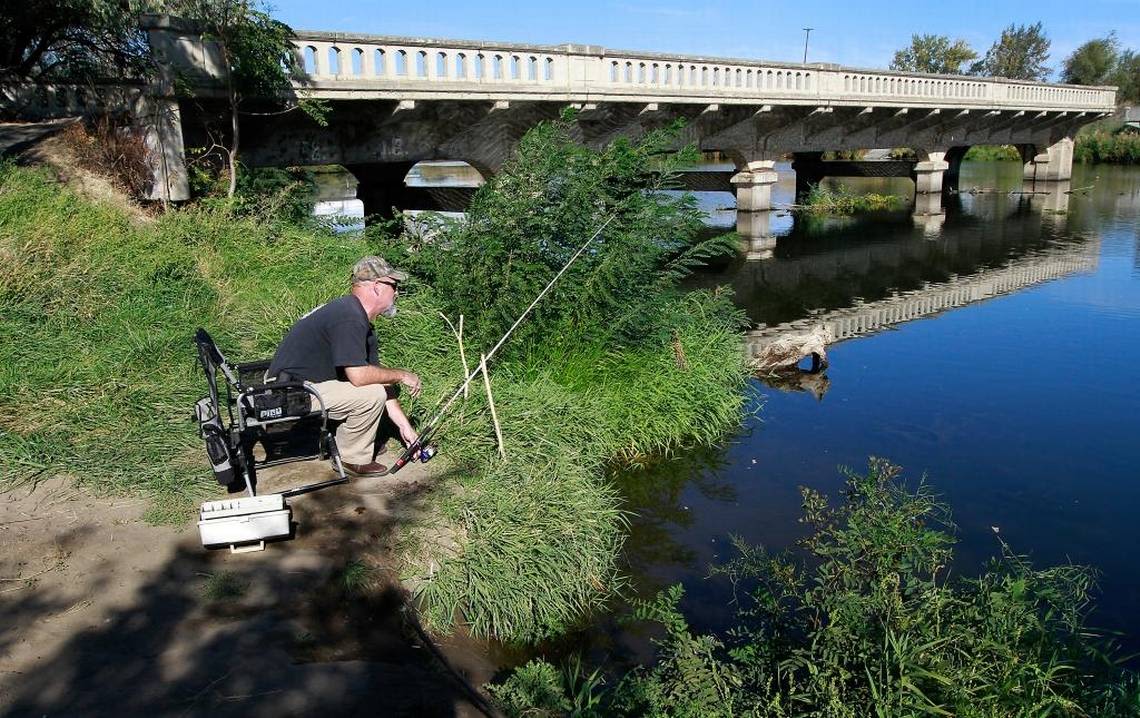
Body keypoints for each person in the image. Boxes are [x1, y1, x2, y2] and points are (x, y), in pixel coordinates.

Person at [267, 256, 422, 476]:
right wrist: (403, 375)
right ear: (377, 287)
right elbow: (359, 377)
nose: (396, 293)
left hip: (297, 385)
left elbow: (377, 375)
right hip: (288, 393)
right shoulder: (349, 318)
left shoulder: (352, 312)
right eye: (394, 286)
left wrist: (405, 427)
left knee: (376, 386)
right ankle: (352, 458)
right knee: (371, 394)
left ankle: (357, 442)